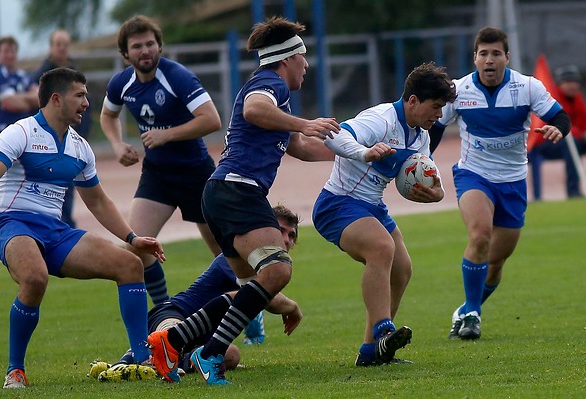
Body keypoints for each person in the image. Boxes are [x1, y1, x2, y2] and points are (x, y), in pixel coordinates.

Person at [147, 16, 340, 385]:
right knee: (278, 270)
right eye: (303, 58)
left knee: (246, 289)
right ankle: (210, 351)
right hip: (239, 190)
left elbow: (300, 147)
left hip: (221, 192)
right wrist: (303, 121)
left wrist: (355, 154)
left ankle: (172, 340)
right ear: (287, 59)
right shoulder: (271, 84)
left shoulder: (275, 100)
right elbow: (255, 109)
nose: (307, 66)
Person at [0, 67, 165, 389]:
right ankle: (15, 370)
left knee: (129, 264)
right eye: (80, 95)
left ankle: (142, 360)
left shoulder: (80, 147)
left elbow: (97, 201)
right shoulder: (22, 133)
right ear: (56, 99)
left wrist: (132, 238)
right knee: (34, 277)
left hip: (55, 231)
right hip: (13, 222)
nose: (87, 103)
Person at [428, 27, 571, 341]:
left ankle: (467, 308)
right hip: (473, 174)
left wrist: (557, 130)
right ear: (475, 58)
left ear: (507, 57)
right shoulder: (458, 90)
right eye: (483, 53)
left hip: (513, 181)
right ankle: (472, 315)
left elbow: (561, 117)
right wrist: (422, 161)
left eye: (496, 53)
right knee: (480, 236)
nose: (489, 60)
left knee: (496, 260)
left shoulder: (527, 87)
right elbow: (435, 128)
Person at [313, 62, 455, 366]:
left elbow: (427, 173)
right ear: (413, 100)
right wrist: (364, 152)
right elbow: (333, 136)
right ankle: (382, 330)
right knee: (381, 247)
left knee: (402, 269)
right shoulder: (380, 119)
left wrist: (437, 193)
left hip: (372, 207)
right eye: (436, 106)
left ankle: (370, 353)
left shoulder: (421, 136)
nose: (439, 115)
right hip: (338, 203)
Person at [93, 205, 302, 382]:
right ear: (264, 229)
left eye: (291, 236)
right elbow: (265, 299)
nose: (285, 240)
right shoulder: (238, 256)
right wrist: (293, 307)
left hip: (203, 335)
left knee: (231, 356)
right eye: (280, 230)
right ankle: (130, 362)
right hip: (173, 313)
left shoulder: (267, 267)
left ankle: (152, 361)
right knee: (171, 332)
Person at [100, 15, 222, 306]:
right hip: (157, 175)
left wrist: (168, 136)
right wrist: (117, 145)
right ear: (125, 54)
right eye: (138, 46)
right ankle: (165, 311)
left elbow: (212, 120)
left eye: (151, 44)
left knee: (224, 255)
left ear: (160, 46)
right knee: (137, 247)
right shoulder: (121, 83)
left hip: (196, 174)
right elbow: (108, 115)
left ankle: (249, 314)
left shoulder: (177, 77)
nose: (145, 50)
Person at [33, 29, 93, 228]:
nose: (61, 48)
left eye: (65, 44)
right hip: (47, 140)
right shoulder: (42, 74)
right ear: (51, 47)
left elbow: (84, 107)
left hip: (73, 137)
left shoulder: (75, 71)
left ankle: (66, 225)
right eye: (58, 44)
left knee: (70, 183)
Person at [528, 64, 586, 199]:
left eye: (574, 82)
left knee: (575, 144)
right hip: (547, 142)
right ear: (559, 83)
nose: (572, 85)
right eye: (567, 82)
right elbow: (557, 123)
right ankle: (573, 191)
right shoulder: (552, 97)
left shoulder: (577, 99)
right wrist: (578, 133)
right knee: (572, 145)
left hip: (573, 140)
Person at [0, 36, 39, 142]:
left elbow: (40, 97)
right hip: (5, 133)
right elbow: (10, 103)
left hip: (26, 132)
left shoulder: (22, 75)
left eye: (13, 51)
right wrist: (29, 100)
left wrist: (20, 98)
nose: (10, 55)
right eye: (6, 52)